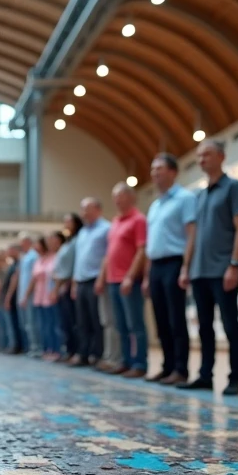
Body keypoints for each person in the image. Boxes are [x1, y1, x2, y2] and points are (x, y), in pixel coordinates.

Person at [180, 139, 238, 395]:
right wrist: (186, 267)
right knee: (204, 326)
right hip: (199, 271)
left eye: (206, 154)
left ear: (221, 156)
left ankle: (235, 377)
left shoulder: (233, 187)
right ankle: (205, 374)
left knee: (231, 325)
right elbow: (193, 235)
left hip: (223, 269)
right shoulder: (198, 194)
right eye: (198, 156)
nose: (201, 160)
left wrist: (235, 264)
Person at [145, 155, 195, 384]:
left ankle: (180, 369)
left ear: (173, 172)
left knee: (176, 318)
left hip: (174, 262)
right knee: (161, 319)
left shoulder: (185, 198)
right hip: (156, 265)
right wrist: (147, 275)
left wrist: (186, 267)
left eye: (160, 168)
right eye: (153, 169)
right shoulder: (155, 205)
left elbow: (191, 234)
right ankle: (167, 366)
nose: (155, 173)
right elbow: (150, 244)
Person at [97, 183, 148, 378]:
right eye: (114, 197)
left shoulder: (138, 220)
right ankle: (125, 360)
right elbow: (109, 254)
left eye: (120, 196)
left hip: (129, 281)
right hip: (112, 281)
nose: (116, 200)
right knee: (120, 325)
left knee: (135, 324)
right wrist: (103, 278)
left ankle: (140, 363)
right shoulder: (115, 222)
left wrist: (130, 276)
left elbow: (141, 250)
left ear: (131, 197)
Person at [70, 199, 110, 367]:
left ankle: (97, 353)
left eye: (87, 209)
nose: (84, 213)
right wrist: (74, 282)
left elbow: (107, 256)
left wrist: (101, 278)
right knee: (82, 321)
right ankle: (83, 353)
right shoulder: (83, 233)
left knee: (96, 319)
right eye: (82, 209)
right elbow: (78, 259)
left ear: (98, 209)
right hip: (81, 281)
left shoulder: (106, 228)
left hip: (95, 279)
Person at [55, 213, 81, 362]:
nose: (65, 224)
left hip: (70, 282)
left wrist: (70, 282)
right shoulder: (68, 242)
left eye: (68, 221)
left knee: (74, 321)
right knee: (66, 322)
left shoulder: (77, 240)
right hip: (63, 284)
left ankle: (78, 351)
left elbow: (73, 264)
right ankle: (70, 350)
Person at [32, 235, 61, 361]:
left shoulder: (54, 258)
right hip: (39, 295)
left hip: (50, 294)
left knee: (52, 324)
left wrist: (55, 290)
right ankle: (46, 348)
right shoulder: (40, 260)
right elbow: (33, 278)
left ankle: (56, 349)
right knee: (43, 325)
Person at [16, 235, 40, 357]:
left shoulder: (33, 256)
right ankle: (30, 346)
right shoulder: (24, 257)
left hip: (29, 293)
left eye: (22, 242)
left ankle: (36, 347)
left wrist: (26, 294)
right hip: (23, 293)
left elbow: (33, 277)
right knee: (26, 323)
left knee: (32, 322)